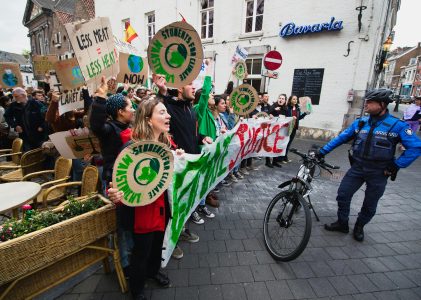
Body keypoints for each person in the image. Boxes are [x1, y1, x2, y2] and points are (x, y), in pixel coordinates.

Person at [318, 89, 421, 242]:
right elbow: (341, 138)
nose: (366, 104)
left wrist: (396, 165)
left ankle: (359, 226)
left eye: (370, 102)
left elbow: (416, 147)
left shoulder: (397, 126)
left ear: (382, 105)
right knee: (343, 195)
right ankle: (342, 223)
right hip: (358, 167)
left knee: (370, 203)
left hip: (380, 172)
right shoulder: (361, 122)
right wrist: (322, 151)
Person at [108, 97, 180, 300]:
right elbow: (114, 179)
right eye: (162, 112)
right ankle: (137, 290)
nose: (168, 116)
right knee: (141, 252)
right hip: (142, 211)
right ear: (148, 119)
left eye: (167, 112)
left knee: (157, 244)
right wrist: (114, 193)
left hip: (161, 206)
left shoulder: (165, 143)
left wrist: (178, 156)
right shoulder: (132, 147)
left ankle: (153, 271)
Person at [284, 94, 307, 162]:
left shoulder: (297, 108)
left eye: (296, 99)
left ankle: (285, 157)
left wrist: (305, 114)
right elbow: (285, 117)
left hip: (294, 127)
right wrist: (291, 118)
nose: (295, 100)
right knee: (285, 142)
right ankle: (281, 157)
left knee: (289, 143)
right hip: (288, 127)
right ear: (290, 100)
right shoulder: (287, 108)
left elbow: (298, 118)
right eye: (294, 99)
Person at [270, 94, 288, 163]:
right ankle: (268, 161)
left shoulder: (285, 108)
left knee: (278, 144)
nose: (281, 100)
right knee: (271, 143)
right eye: (279, 98)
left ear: (285, 100)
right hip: (273, 129)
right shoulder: (274, 105)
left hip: (281, 130)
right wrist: (274, 110)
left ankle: (275, 161)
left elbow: (288, 117)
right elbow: (268, 113)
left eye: (282, 99)